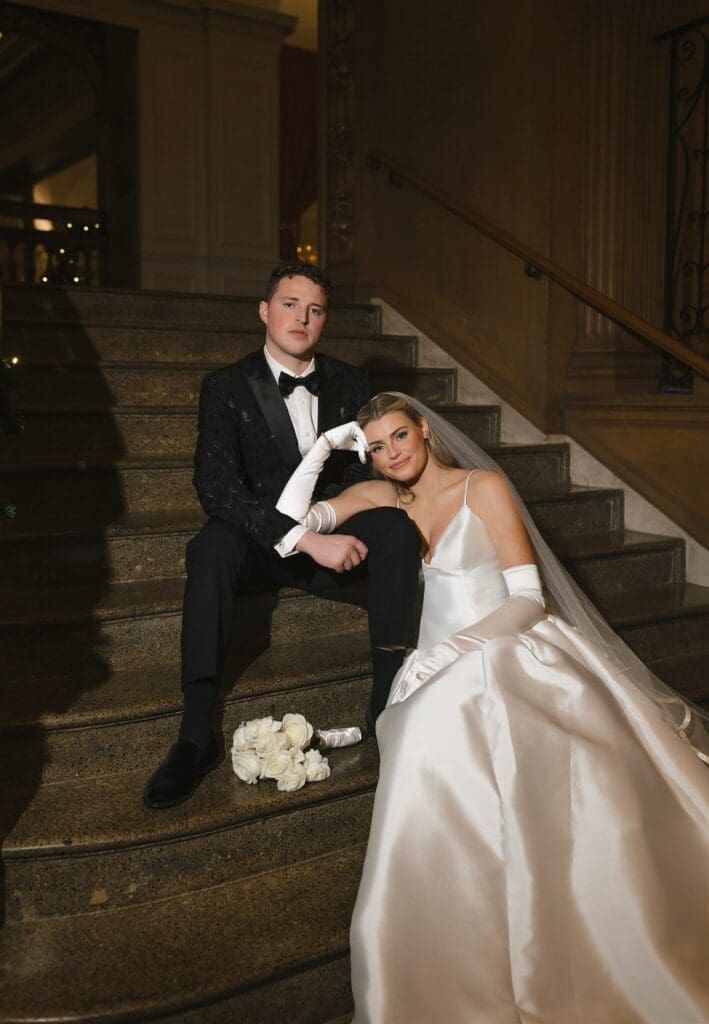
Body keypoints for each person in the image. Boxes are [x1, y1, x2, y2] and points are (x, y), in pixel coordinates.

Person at [275, 391, 709, 1023]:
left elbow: (529, 598)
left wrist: (453, 651)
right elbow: (289, 522)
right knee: (426, 733)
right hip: (429, 660)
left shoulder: (483, 487)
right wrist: (321, 448)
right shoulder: (380, 496)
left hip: (502, 643)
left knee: (448, 729)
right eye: (374, 447)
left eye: (399, 437)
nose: (390, 454)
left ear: (424, 429)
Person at [143, 267, 420, 809]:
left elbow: (368, 478)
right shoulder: (225, 386)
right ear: (264, 311)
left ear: (325, 321)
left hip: (333, 531)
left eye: (314, 309)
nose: (302, 318)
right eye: (290, 305)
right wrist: (301, 538)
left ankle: (387, 708)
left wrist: (327, 526)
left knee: (395, 526)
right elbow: (217, 489)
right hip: (261, 543)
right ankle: (196, 735)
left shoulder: (351, 381)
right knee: (211, 544)